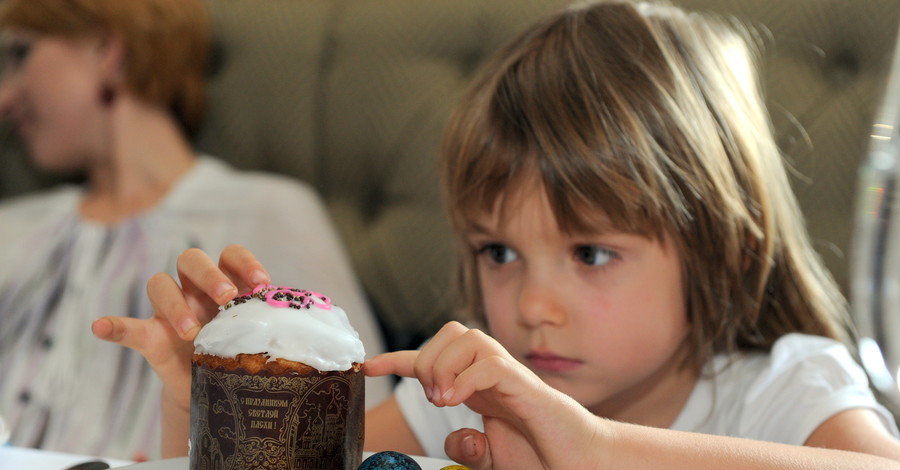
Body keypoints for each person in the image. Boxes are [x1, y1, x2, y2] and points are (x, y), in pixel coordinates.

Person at [94, 0, 900, 467]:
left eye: (591, 252)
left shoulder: (788, 392)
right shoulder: (465, 400)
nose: (533, 305)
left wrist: (596, 450)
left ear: (731, 246)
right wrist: (204, 414)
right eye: (498, 252)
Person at [0, 0, 390, 461]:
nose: (4, 97)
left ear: (106, 48)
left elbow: (357, 426)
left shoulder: (267, 211)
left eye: (19, 54)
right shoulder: (11, 224)